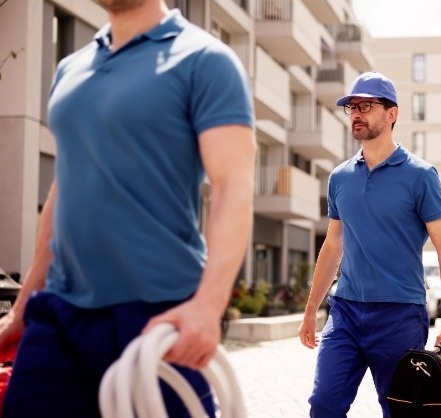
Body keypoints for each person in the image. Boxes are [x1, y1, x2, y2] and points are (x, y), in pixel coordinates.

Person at [0, 0, 255, 416]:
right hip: (60, 314)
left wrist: (209, 307)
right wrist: (23, 307)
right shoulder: (71, 68)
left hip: (158, 313)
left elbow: (233, 186)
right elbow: (63, 191)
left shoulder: (205, 59)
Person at [297, 72, 441, 417]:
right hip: (345, 311)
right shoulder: (340, 177)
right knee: (323, 405)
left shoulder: (420, 176)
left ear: (392, 114)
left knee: (400, 409)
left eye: (366, 106)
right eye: (352, 107)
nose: (357, 113)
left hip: (399, 312)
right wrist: (312, 310)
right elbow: (332, 246)